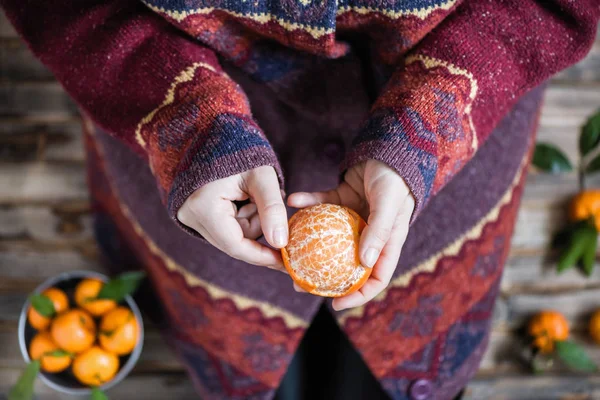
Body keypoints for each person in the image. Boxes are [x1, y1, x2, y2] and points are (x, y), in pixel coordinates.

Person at [3, 1, 598, 399]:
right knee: (249, 358)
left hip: (454, 112)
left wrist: (424, 124)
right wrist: (190, 125)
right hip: (185, 106)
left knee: (401, 359)